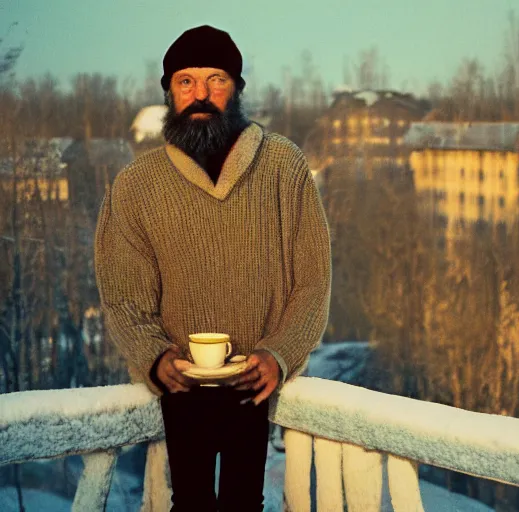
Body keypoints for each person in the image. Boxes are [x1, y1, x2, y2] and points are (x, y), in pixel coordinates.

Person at [94, 25, 332, 511]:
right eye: (186, 81)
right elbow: (124, 297)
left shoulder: (283, 168)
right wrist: (154, 358)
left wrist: (280, 353)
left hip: (255, 381)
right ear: (169, 92)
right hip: (181, 387)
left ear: (238, 89)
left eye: (215, 79)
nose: (200, 95)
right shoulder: (137, 186)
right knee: (192, 504)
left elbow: (313, 281)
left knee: (246, 502)